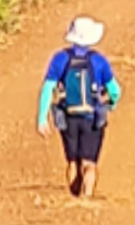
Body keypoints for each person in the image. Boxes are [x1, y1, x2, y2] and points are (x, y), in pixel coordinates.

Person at [36, 16, 119, 199]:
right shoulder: (99, 61)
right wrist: (109, 104)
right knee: (89, 163)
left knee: (73, 161)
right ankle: (87, 200)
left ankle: (73, 198)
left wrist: (42, 118)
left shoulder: (59, 59)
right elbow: (115, 91)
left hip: (69, 117)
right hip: (92, 119)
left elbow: (48, 88)